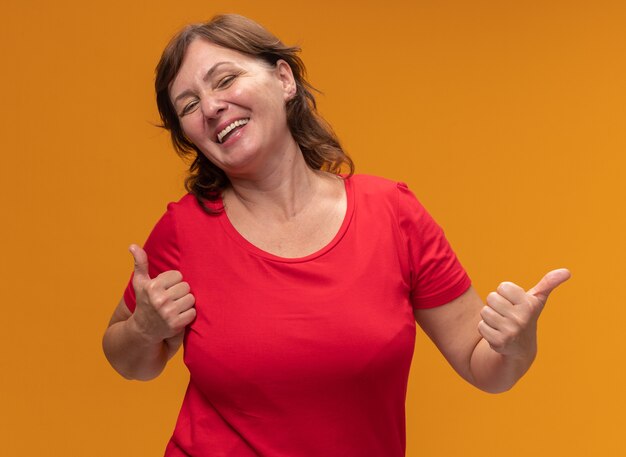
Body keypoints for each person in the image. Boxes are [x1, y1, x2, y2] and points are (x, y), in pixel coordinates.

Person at [102, 14, 570, 457]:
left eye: (225, 80)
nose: (210, 107)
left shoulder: (392, 213)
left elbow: (481, 363)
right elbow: (130, 361)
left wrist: (518, 344)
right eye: (188, 105)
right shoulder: (183, 230)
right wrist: (144, 331)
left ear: (284, 80)